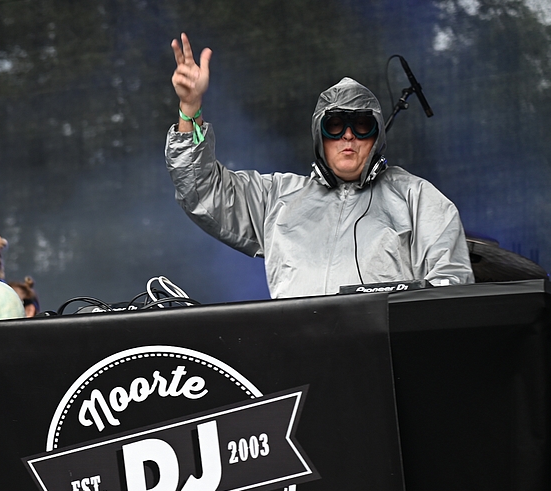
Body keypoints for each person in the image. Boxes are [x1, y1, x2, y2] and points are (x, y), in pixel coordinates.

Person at [165, 34, 473, 298]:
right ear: (319, 136)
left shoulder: (417, 198)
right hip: (297, 347)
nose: (348, 136)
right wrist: (190, 109)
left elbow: (451, 288)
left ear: (377, 136)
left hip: (383, 349)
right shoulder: (277, 198)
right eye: (335, 125)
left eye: (361, 125)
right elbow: (202, 192)